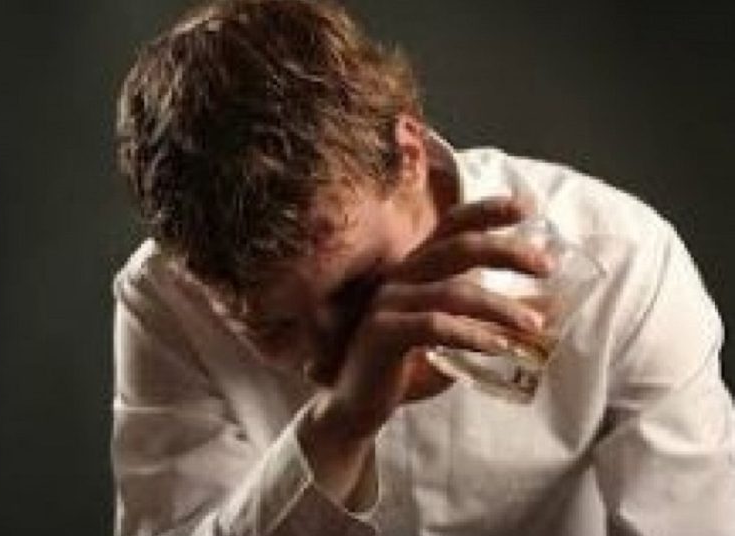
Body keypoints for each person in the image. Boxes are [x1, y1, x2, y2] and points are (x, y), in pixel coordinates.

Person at [111, 1, 735, 535]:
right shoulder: (166, 300)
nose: (328, 363)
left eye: (358, 290)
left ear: (407, 153)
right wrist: (341, 426)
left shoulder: (623, 266)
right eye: (272, 328)